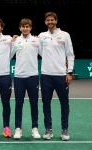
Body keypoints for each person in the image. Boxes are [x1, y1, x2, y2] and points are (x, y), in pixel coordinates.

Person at [39, 12, 75, 141]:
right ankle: (48, 130)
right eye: (48, 20)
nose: (50, 22)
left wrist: (69, 72)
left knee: (64, 104)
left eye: (52, 20)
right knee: (46, 104)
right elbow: (37, 50)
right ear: (45, 22)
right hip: (45, 76)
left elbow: (70, 54)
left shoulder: (65, 35)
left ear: (56, 21)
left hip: (60, 76)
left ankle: (64, 130)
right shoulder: (42, 36)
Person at [11, 18, 41, 139]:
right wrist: (12, 41)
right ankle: (18, 129)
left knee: (34, 104)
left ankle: (35, 128)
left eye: (27, 26)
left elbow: (46, 54)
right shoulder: (16, 41)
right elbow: (8, 55)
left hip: (33, 76)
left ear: (30, 28)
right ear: (20, 28)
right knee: (19, 104)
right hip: (19, 77)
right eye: (23, 26)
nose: (25, 28)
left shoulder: (36, 40)